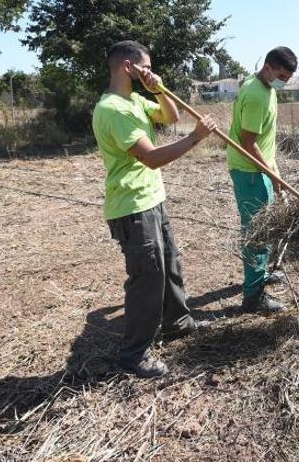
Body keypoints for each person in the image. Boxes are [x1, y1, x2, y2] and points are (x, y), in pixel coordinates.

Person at [92, 40, 217, 378]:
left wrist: (159, 89)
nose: (150, 71)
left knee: (170, 264)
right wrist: (195, 138)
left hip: (152, 199)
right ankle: (134, 353)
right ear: (127, 67)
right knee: (148, 277)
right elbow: (150, 157)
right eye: (145, 66)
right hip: (132, 206)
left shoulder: (134, 100)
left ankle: (177, 321)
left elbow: (169, 115)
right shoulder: (113, 109)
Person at [227, 46, 297, 313]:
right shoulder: (257, 95)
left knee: (266, 227)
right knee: (256, 232)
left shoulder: (263, 87)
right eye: (280, 76)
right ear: (267, 67)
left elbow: (262, 141)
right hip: (250, 171)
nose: (283, 82)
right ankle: (253, 297)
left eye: (287, 79)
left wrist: (275, 175)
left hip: (261, 168)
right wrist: (270, 173)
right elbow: (248, 142)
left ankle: (261, 275)